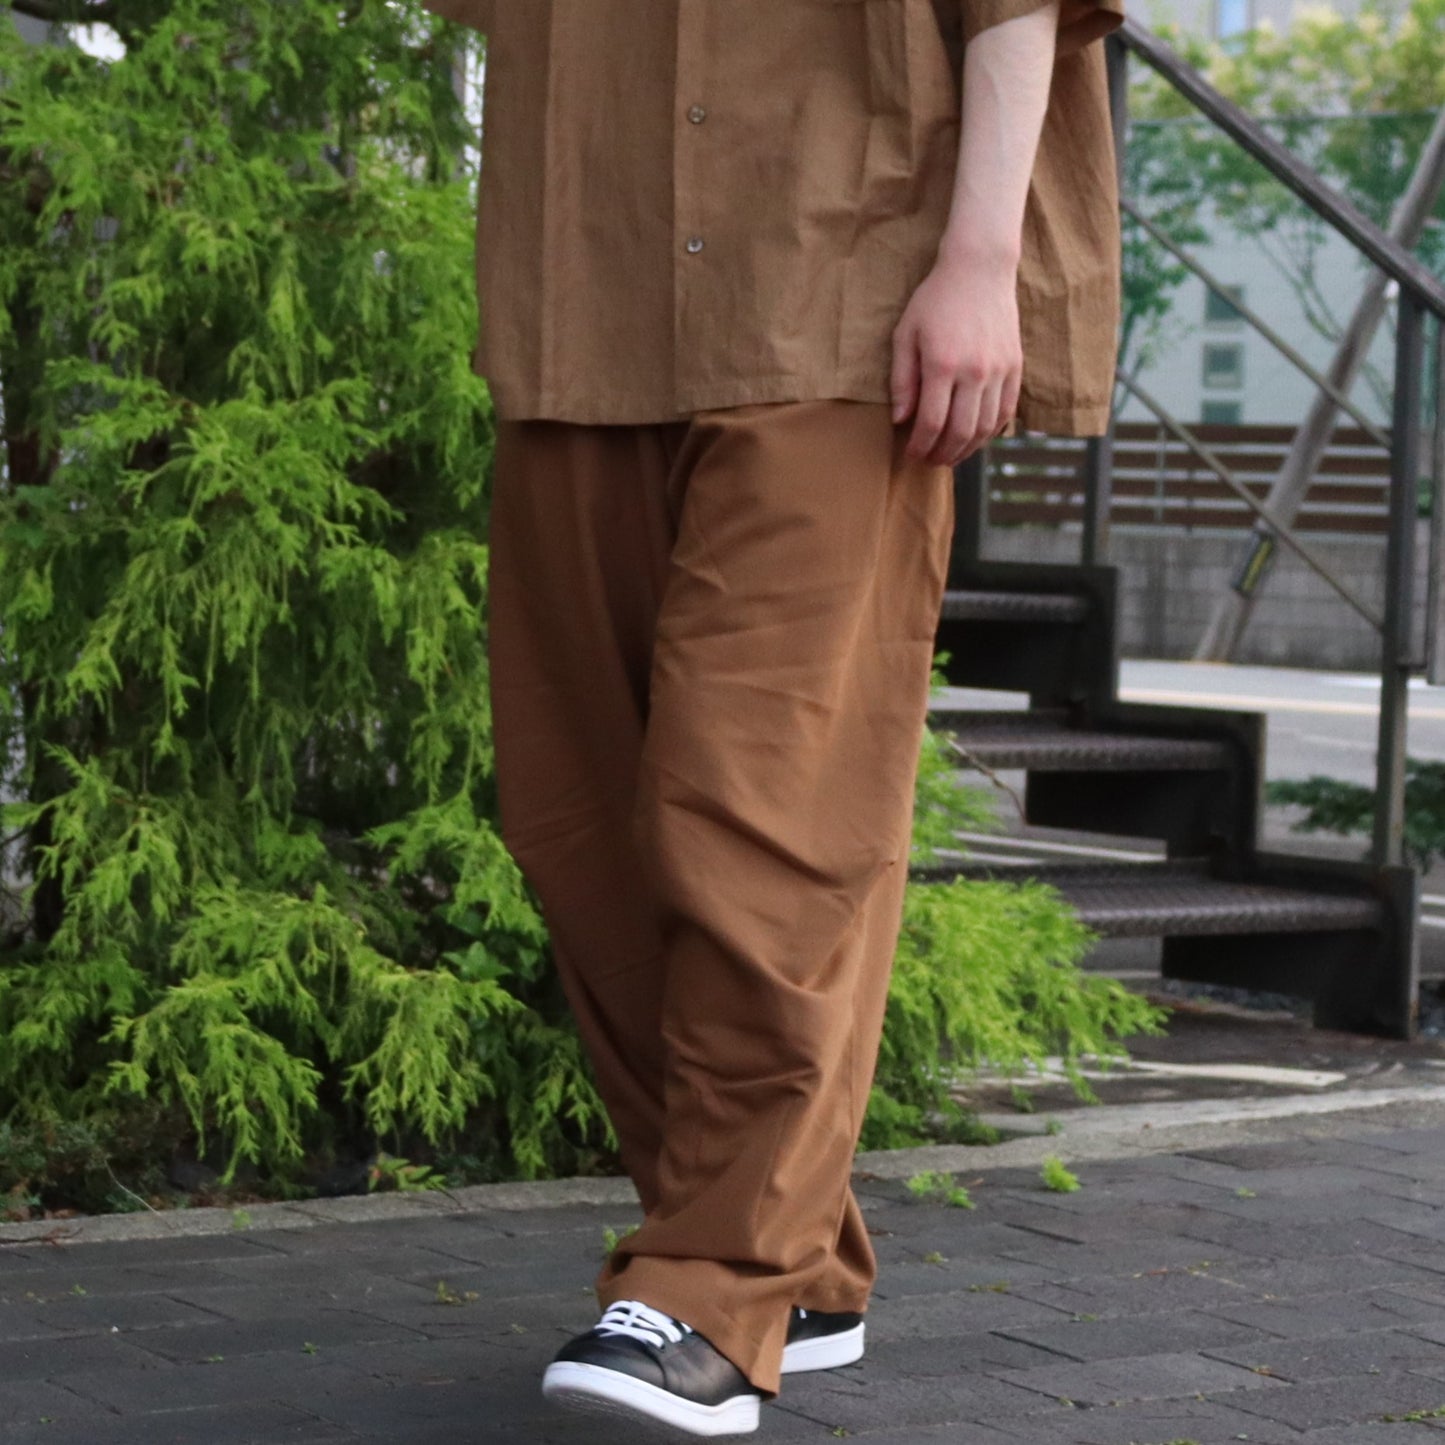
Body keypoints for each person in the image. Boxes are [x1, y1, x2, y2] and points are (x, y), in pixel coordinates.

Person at [421, 0, 1124, 1436]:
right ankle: (803, 1267)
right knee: (576, 815)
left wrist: (980, 260)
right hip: (586, 284)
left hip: (841, 284)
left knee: (761, 813)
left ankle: (712, 1282)